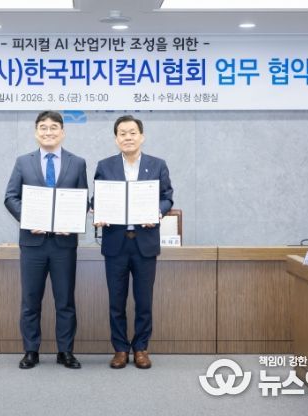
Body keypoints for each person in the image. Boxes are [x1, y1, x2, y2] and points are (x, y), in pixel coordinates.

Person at [4, 110, 88, 369]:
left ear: (62, 132)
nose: (48, 132)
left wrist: (72, 222)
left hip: (64, 245)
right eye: (43, 127)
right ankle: (31, 351)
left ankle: (66, 352)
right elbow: (10, 197)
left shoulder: (77, 163)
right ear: (36, 132)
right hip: (33, 244)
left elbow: (82, 198)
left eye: (53, 127)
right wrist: (29, 219)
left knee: (65, 302)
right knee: (31, 301)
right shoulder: (23, 162)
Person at [93, 115, 173, 369]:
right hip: (115, 243)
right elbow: (97, 199)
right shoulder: (105, 166)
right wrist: (98, 213)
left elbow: (167, 197)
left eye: (132, 132)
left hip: (144, 244)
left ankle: (141, 348)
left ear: (142, 136)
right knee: (116, 301)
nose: (127, 137)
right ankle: (120, 349)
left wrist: (157, 212)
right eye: (122, 133)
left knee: (144, 301)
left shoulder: (157, 165)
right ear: (116, 139)